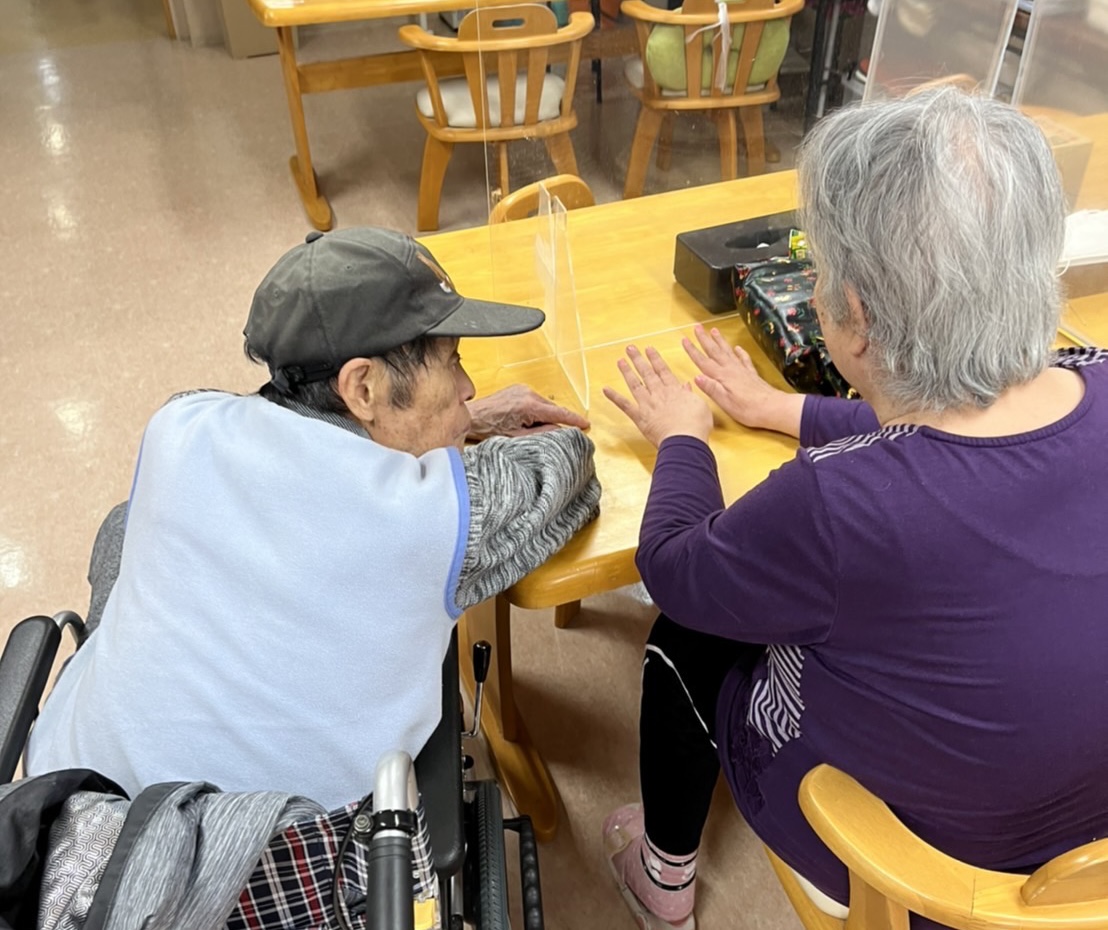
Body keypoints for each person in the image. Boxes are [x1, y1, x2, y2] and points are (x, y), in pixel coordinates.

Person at [601, 88, 1108, 930]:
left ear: (857, 317)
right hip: (1086, 857)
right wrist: (784, 410)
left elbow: (674, 566)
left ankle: (663, 877)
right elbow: (959, 430)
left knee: (687, 635)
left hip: (910, 872)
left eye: (820, 272)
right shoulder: (1092, 372)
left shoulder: (831, 504)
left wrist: (683, 438)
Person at [26, 226, 601, 810]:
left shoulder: (180, 424)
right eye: (451, 363)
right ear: (362, 387)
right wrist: (468, 436)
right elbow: (565, 459)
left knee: (127, 522)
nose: (468, 386)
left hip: (59, 798)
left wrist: (462, 420)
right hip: (249, 848)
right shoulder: (425, 515)